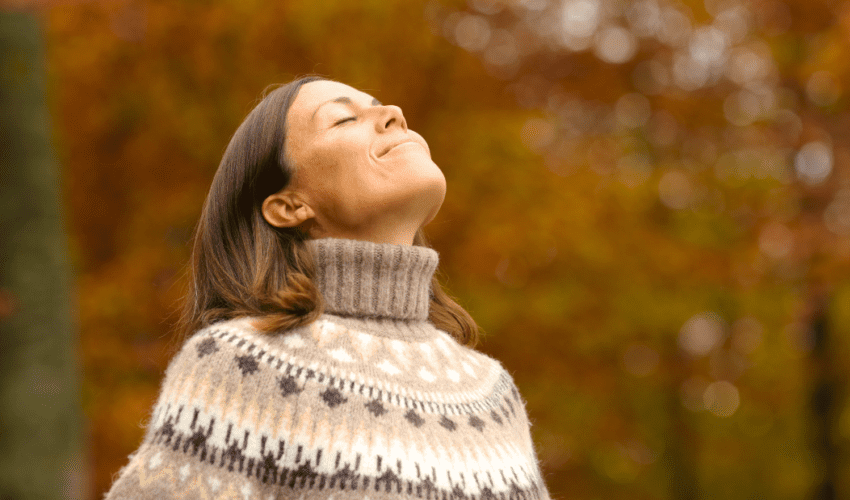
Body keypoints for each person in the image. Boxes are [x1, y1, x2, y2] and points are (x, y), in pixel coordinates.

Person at [102, 75, 552, 499]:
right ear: (289, 206)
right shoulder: (243, 367)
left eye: (382, 107)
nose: (394, 114)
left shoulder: (492, 394)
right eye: (344, 118)